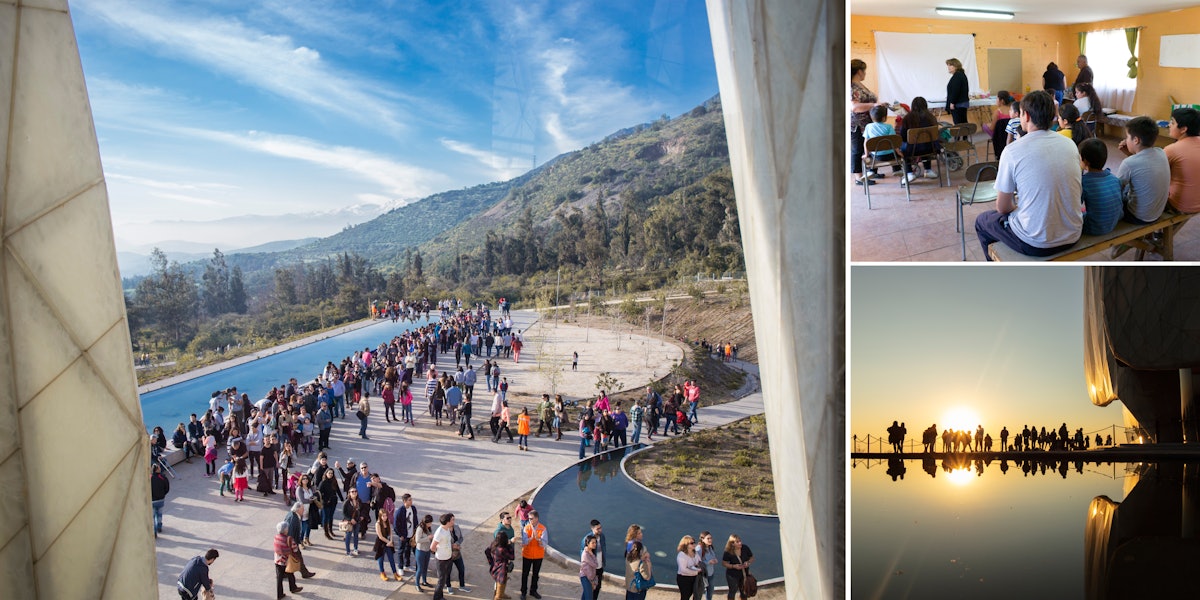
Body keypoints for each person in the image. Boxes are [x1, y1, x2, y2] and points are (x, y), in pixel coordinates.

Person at [975, 90, 1083, 259]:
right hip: (1073, 234)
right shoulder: (1070, 144)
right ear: (1054, 116)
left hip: (1035, 243)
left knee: (983, 221)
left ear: (1024, 116)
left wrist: (1018, 209)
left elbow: (1002, 207)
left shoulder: (1012, 150)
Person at [1115, 116, 1170, 227]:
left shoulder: (1128, 163)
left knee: (1113, 193)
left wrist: (1130, 157)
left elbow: (1116, 189)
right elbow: (1143, 165)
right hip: (1157, 213)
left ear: (1136, 140)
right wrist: (1130, 155)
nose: (1126, 140)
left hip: (1138, 217)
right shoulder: (1161, 152)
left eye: (1127, 137)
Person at [850, 58, 887, 186]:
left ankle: (872, 171)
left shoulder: (860, 85)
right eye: (864, 71)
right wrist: (874, 105)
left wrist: (878, 105)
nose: (865, 73)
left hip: (868, 123)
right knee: (857, 150)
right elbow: (854, 107)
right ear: (859, 71)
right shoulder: (851, 86)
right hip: (856, 125)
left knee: (871, 147)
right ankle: (859, 177)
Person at [1079, 138, 1123, 236]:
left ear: (1085, 160)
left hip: (1094, 228)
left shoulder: (1084, 182)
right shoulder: (1114, 178)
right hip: (1113, 222)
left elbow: (1075, 205)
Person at [898, 97, 941, 183]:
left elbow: (902, 136)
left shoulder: (907, 118)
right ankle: (928, 170)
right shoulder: (931, 117)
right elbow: (936, 134)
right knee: (925, 143)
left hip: (911, 150)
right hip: (931, 148)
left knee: (903, 147)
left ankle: (909, 173)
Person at [1166, 107, 1200, 213]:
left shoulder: (1171, 149)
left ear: (1183, 129)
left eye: (1172, 122)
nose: (1169, 125)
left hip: (1181, 205)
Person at [862, 105, 900, 179]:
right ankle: (897, 169)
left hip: (876, 157)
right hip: (890, 155)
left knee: (870, 154)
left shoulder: (868, 127)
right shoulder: (889, 126)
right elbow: (894, 141)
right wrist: (898, 152)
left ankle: (871, 171)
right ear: (884, 118)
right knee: (896, 154)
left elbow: (866, 143)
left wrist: (866, 154)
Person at [284, 502, 318, 578]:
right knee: (297, 557)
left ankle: (302, 572)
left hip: (292, 542)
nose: (304, 510)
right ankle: (304, 573)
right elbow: (290, 534)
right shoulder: (293, 518)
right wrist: (292, 546)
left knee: (294, 558)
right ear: (298, 509)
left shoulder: (293, 515)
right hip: (291, 543)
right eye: (302, 509)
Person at [520, 510, 548, 600]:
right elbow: (524, 541)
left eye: (531, 518)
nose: (529, 520)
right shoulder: (526, 528)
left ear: (536, 518)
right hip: (527, 555)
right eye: (529, 518)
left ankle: (533, 591)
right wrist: (531, 538)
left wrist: (538, 539)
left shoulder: (543, 528)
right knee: (525, 574)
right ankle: (523, 592)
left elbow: (544, 544)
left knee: (536, 574)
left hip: (538, 556)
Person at [273, 521, 303, 599]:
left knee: (279, 578)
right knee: (290, 574)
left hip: (277, 560)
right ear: (285, 530)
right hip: (286, 561)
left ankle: (279, 595)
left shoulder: (276, 537)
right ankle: (293, 588)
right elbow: (295, 549)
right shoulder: (289, 539)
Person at [721, 535, 754, 600]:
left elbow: (752, 557)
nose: (740, 543)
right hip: (732, 575)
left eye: (740, 541)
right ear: (732, 544)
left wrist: (748, 563)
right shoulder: (728, 552)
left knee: (744, 591)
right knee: (732, 591)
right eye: (737, 542)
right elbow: (724, 563)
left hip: (744, 573)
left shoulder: (745, 548)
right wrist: (734, 566)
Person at [580, 520, 608, 599]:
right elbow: (583, 554)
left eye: (600, 528)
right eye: (598, 529)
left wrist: (603, 563)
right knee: (589, 590)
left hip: (600, 567)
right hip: (591, 569)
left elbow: (603, 550)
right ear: (592, 529)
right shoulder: (587, 539)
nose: (600, 530)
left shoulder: (602, 536)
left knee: (597, 588)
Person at [432, 513, 456, 600]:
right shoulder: (439, 532)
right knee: (441, 580)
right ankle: (436, 598)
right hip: (441, 560)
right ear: (448, 522)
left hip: (448, 558)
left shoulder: (447, 529)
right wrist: (440, 553)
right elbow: (432, 547)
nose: (454, 521)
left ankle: (440, 597)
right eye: (452, 520)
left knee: (444, 578)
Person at [375, 508, 401, 581]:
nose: (385, 517)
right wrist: (388, 542)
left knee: (391, 558)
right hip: (381, 542)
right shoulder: (378, 524)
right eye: (383, 516)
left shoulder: (388, 521)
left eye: (386, 516)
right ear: (380, 516)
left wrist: (391, 541)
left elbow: (390, 532)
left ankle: (395, 573)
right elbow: (380, 536)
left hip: (388, 541)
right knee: (381, 558)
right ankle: (382, 573)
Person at [490, 531, 515, 600]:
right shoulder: (502, 550)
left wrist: (491, 561)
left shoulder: (494, 544)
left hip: (495, 568)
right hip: (501, 571)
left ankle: (502, 593)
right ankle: (500, 595)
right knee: (498, 594)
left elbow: (487, 551)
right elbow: (512, 557)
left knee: (498, 584)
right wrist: (511, 544)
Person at [675, 535, 703, 600]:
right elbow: (683, 569)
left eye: (694, 542)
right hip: (684, 578)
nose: (694, 544)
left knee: (695, 594)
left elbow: (699, 561)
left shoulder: (695, 553)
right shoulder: (681, 555)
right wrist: (696, 572)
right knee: (685, 596)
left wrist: (699, 566)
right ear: (686, 544)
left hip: (694, 578)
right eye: (691, 543)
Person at [945, 58, 969, 124]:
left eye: (950, 65)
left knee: (959, 123)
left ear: (956, 66)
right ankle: (964, 134)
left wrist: (952, 102)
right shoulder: (960, 74)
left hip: (958, 104)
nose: (948, 67)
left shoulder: (957, 76)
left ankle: (961, 134)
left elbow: (956, 90)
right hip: (961, 103)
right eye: (948, 65)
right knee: (963, 123)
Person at [697, 532, 720, 600]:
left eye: (711, 538)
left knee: (710, 592)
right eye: (708, 538)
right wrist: (708, 562)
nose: (710, 540)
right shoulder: (699, 549)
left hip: (710, 574)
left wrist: (714, 560)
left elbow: (712, 557)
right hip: (702, 575)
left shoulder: (710, 547)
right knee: (699, 593)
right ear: (702, 539)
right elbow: (697, 562)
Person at [416, 514, 436, 592]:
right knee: (420, 568)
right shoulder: (420, 529)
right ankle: (417, 584)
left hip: (427, 550)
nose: (430, 524)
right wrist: (428, 538)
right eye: (429, 523)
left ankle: (424, 581)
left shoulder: (428, 528)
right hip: (420, 550)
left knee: (425, 567)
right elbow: (418, 540)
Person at [151, 463, 170, 537]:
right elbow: (167, 488)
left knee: (153, 516)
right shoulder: (163, 477)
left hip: (152, 500)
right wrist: (163, 494)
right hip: (161, 499)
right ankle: (159, 526)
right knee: (159, 514)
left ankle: (154, 530)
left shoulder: (150, 478)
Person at [580, 534, 600, 600]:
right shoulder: (586, 554)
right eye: (593, 543)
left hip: (589, 578)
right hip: (586, 577)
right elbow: (595, 565)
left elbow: (595, 564)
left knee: (585, 596)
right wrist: (592, 554)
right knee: (589, 597)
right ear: (587, 543)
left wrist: (591, 553)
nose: (595, 544)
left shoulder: (590, 552)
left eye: (595, 542)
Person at [343, 488, 362, 555]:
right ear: (349, 493)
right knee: (348, 535)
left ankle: (355, 549)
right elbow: (344, 513)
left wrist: (361, 517)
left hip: (357, 521)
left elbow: (361, 510)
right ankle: (348, 551)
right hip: (349, 521)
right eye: (352, 491)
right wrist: (350, 519)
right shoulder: (347, 502)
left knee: (356, 535)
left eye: (355, 491)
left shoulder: (359, 501)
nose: (354, 493)